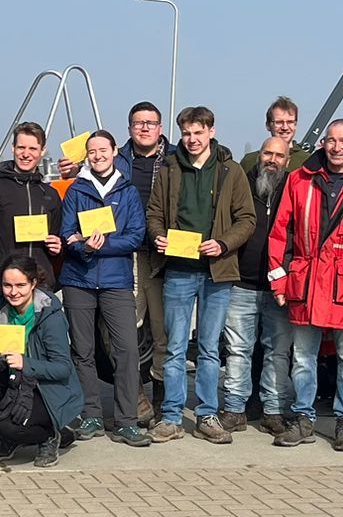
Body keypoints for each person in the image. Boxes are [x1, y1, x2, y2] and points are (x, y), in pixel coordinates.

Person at [144, 105, 256, 444]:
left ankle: (207, 414)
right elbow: (154, 213)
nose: (192, 139)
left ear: (211, 131)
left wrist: (222, 245)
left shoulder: (230, 171)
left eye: (198, 132)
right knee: (175, 347)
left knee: (209, 349)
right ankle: (172, 416)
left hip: (216, 272)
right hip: (178, 270)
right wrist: (157, 236)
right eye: (187, 133)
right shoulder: (168, 170)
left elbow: (247, 219)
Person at [268, 119, 343, 452]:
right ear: (323, 144)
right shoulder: (299, 180)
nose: (337, 147)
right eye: (331, 141)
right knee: (303, 357)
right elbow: (281, 232)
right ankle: (303, 419)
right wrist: (279, 280)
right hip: (306, 283)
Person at [56, 130, 149, 446]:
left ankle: (126, 420)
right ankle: (91, 415)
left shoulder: (128, 191)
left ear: (114, 152)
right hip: (78, 280)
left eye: (103, 150)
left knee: (127, 350)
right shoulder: (76, 190)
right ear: (87, 155)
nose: (97, 155)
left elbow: (136, 236)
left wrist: (100, 245)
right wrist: (83, 249)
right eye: (92, 151)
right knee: (83, 351)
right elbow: (67, 233)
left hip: (116, 280)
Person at [0, 254, 87, 467]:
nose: (13, 292)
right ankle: (17, 433)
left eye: (20, 285)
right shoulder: (3, 306)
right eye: (7, 285)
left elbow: (63, 368)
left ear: (33, 284)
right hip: (17, 381)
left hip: (47, 388)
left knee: (10, 428)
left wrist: (25, 364)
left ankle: (48, 435)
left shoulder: (51, 316)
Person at [221, 135, 295, 437]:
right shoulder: (242, 183)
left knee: (277, 352)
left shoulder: (294, 187)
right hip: (242, 282)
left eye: (279, 155)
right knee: (238, 350)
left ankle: (273, 411)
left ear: (287, 161)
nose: (272, 160)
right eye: (267, 153)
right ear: (258, 155)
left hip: (279, 286)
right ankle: (235, 409)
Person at [0, 123, 63, 306]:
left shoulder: (50, 194)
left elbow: (57, 238)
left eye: (33, 148)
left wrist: (58, 246)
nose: (26, 154)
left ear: (42, 151)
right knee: (9, 336)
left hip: (41, 286)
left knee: (42, 335)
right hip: (6, 288)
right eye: (21, 147)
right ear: (13, 148)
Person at [118, 102, 169, 422]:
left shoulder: (177, 159)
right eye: (138, 123)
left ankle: (163, 397)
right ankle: (135, 395)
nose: (145, 128)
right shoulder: (117, 158)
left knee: (164, 329)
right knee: (129, 330)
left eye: (151, 123)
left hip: (165, 257)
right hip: (128, 255)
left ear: (160, 128)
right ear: (130, 129)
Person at [241, 96, 312, 173]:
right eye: (279, 122)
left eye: (290, 122)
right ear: (268, 125)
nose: (285, 127)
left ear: (295, 125)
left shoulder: (308, 161)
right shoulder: (249, 161)